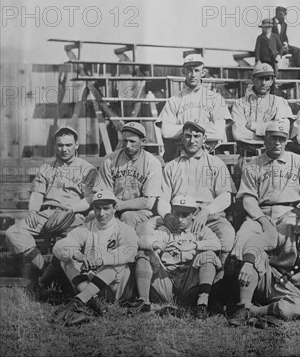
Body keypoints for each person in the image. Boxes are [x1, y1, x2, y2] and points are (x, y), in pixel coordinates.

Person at [6, 126, 99, 286]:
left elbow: (89, 199)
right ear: (56, 145)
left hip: (72, 216)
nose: (64, 149)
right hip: (46, 214)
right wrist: (33, 212)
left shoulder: (87, 169)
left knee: (68, 248)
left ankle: (67, 282)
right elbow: (37, 194)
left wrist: (72, 210)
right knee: (13, 232)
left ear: (76, 145)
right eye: (60, 145)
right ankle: (45, 269)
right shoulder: (47, 167)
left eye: (68, 145)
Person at [229, 198, 300, 325]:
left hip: (293, 293)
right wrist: (248, 263)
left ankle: (254, 311)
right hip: (269, 281)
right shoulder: (285, 229)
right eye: (297, 218)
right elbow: (257, 241)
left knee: (297, 308)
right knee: (257, 255)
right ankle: (243, 306)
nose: (299, 223)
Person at [146, 120, 235, 276]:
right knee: (145, 229)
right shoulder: (172, 166)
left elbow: (226, 196)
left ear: (204, 139)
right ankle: (157, 277)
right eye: (188, 136)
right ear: (182, 139)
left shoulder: (216, 163)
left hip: (208, 216)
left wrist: (206, 211)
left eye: (196, 136)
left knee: (226, 235)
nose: (192, 140)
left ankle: (217, 283)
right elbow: (164, 199)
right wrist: (167, 215)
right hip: (178, 215)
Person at [231, 119, 300, 261]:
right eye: (273, 137)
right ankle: (240, 272)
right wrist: (263, 221)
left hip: (290, 213)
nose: (277, 142)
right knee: (242, 236)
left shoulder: (298, 161)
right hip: (260, 214)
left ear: (286, 141)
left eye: (281, 139)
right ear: (265, 140)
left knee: (294, 245)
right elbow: (248, 199)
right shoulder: (253, 165)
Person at [52, 190, 138, 321]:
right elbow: (59, 246)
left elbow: (130, 251)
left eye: (106, 208)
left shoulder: (123, 228)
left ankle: (80, 300)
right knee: (66, 259)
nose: (101, 213)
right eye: (97, 208)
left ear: (115, 208)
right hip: (89, 282)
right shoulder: (86, 228)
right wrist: (77, 254)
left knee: (116, 263)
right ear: (93, 209)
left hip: (115, 287)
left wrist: (100, 260)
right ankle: (92, 300)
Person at [132, 195, 221, 318]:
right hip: (166, 281)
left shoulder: (200, 229)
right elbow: (142, 240)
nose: (179, 219)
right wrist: (158, 244)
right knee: (145, 253)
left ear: (193, 214)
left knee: (208, 255)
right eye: (176, 214)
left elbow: (217, 244)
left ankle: (202, 305)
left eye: (185, 215)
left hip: (189, 283)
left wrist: (194, 245)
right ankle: (143, 302)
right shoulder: (166, 230)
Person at [155, 53, 231, 161]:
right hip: (180, 157)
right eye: (189, 70)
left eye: (196, 70)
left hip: (207, 155)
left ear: (203, 72)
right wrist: (204, 127)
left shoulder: (215, 99)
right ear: (183, 72)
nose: (192, 74)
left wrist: (184, 131)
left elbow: (218, 133)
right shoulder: (174, 100)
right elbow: (167, 132)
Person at [231, 63, 294, 185]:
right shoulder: (240, 103)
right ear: (253, 79)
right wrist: (270, 133)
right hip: (247, 158)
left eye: (267, 79)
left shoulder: (279, 102)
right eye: (260, 78)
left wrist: (254, 126)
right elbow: (238, 134)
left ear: (272, 81)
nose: (263, 82)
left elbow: (284, 129)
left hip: (271, 158)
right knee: (245, 199)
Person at [98, 122, 162, 230]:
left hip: (140, 212)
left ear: (143, 142)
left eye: (132, 141)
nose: (127, 145)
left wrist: (119, 205)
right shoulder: (109, 160)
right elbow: (105, 192)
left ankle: (128, 246)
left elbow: (148, 202)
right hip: (112, 208)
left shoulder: (152, 163)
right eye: (125, 141)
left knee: (127, 216)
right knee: (93, 216)